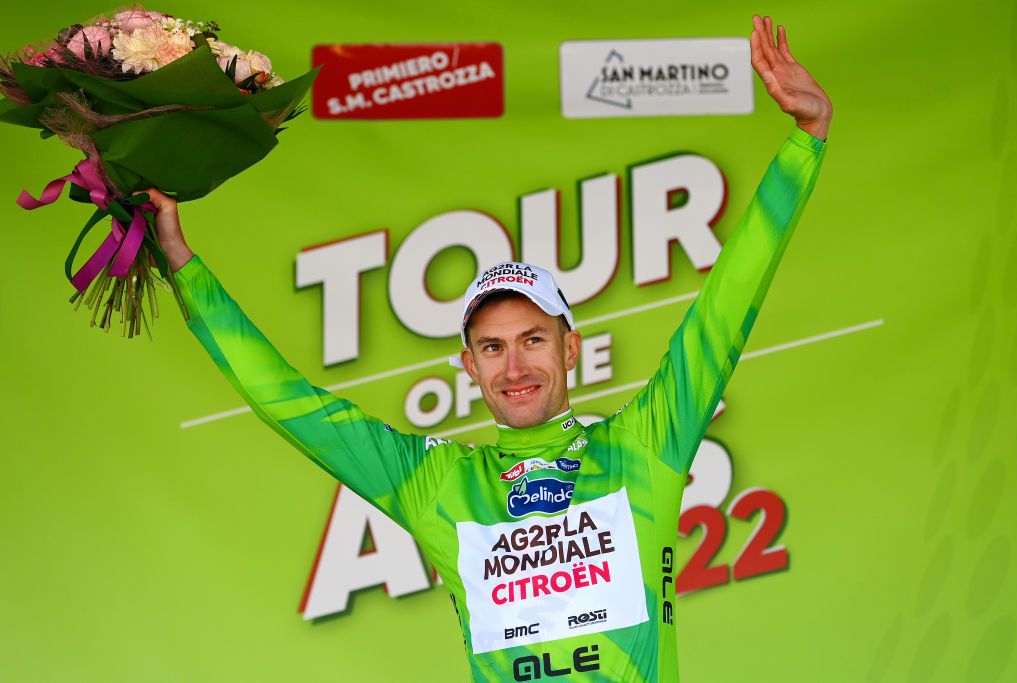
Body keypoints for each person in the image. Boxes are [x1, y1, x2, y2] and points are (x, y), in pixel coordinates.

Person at [149, 15, 831, 683]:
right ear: (468, 364)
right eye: (493, 346)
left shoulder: (644, 447)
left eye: (534, 339)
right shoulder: (438, 483)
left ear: (571, 350)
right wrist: (182, 263)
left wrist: (805, 143)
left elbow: (725, 308)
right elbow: (287, 400)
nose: (515, 366)